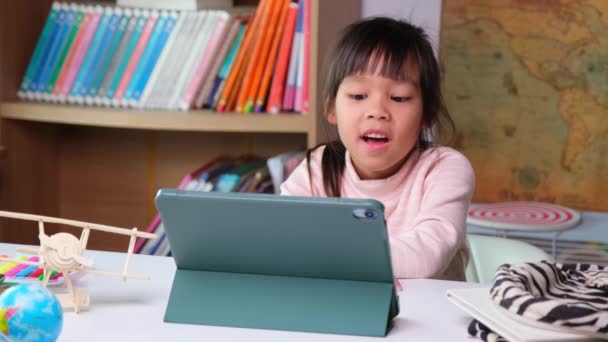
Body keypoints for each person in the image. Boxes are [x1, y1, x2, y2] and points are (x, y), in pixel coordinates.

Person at [280, 17, 475, 281]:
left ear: (427, 114)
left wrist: (320, 254)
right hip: (342, 315)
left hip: (431, 319)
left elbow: (425, 258)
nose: (377, 112)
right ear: (331, 108)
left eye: (399, 98)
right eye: (359, 96)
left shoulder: (443, 168)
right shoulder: (318, 167)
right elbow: (280, 241)